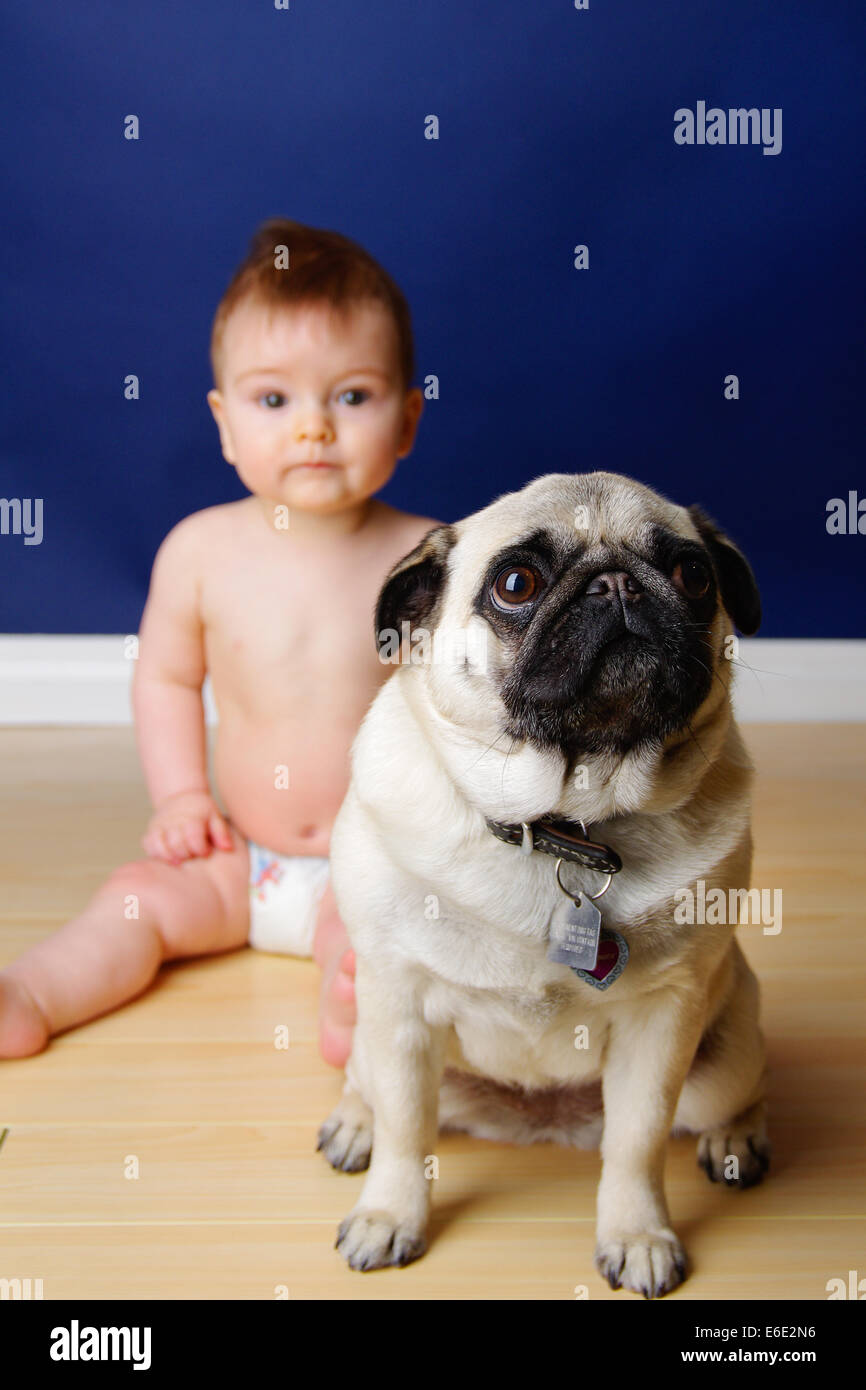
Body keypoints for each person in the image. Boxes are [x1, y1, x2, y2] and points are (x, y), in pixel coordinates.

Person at [0, 218, 440, 1068]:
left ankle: (355, 1018)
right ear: (225, 422)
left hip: (370, 854)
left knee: (374, 932)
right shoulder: (199, 551)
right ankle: (33, 992)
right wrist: (179, 801)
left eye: (351, 396)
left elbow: (469, 705)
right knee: (135, 900)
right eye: (274, 400)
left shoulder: (430, 558)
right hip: (238, 856)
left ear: (408, 419)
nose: (313, 427)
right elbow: (165, 680)